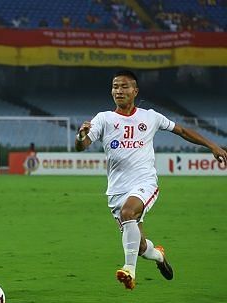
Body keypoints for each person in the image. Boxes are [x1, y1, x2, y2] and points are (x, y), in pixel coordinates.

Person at [76, 70, 227, 290]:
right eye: (115, 86)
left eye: (124, 86)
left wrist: (213, 145)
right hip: (117, 190)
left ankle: (129, 270)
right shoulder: (104, 119)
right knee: (138, 245)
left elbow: (182, 131)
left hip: (145, 183)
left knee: (129, 213)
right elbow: (82, 146)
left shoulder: (150, 117)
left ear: (135, 91)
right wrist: (81, 135)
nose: (119, 90)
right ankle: (158, 256)